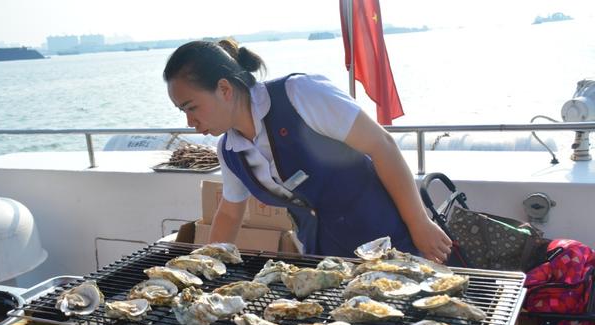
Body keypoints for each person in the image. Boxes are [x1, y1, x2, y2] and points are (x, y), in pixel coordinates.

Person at [163, 39, 452, 263]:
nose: (190, 122)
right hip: (324, 260)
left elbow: (382, 145)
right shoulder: (230, 149)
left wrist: (419, 223)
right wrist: (206, 267)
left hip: (390, 242)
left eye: (192, 107)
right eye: (182, 111)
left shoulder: (299, 94)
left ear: (224, 89)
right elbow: (229, 212)